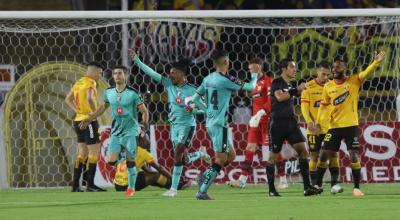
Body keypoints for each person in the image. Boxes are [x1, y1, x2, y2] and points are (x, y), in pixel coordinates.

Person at [129, 49, 211, 197]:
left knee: (178, 152)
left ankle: (173, 189)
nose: (170, 75)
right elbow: (151, 73)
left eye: (173, 73)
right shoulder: (169, 84)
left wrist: (193, 111)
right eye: (170, 72)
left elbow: (206, 109)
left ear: (181, 74)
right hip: (174, 127)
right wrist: (137, 61)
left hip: (187, 126)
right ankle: (200, 153)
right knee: (182, 158)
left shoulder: (193, 90)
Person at [313, 52, 385, 196]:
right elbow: (323, 106)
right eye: (334, 67)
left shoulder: (353, 81)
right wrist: (318, 122)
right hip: (334, 127)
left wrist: (376, 62)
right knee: (323, 155)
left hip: (351, 125)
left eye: (338, 67)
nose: (334, 70)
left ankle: (357, 188)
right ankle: (317, 185)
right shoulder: (328, 86)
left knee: (353, 155)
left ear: (344, 68)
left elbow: (366, 73)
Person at [192, 50, 258, 200]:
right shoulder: (225, 79)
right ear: (226, 62)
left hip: (212, 123)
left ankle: (204, 176)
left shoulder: (208, 78)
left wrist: (207, 110)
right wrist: (254, 74)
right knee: (221, 159)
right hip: (219, 124)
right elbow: (250, 87)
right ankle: (202, 191)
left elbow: (195, 99)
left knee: (231, 155)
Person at [80, 66, 149, 197]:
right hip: (116, 132)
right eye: (115, 73)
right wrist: (89, 119)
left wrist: (143, 127)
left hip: (131, 132)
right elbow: (102, 108)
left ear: (125, 76)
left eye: (120, 73)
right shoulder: (109, 92)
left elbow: (144, 111)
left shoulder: (133, 93)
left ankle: (131, 188)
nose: (117, 76)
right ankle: (122, 157)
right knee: (110, 160)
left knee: (130, 163)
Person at [227, 56, 288, 189]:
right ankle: (242, 180)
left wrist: (261, 112)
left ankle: (283, 179)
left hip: (268, 121)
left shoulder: (269, 81)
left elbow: (272, 101)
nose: (249, 70)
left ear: (259, 67)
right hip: (256, 122)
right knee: (250, 148)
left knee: (274, 150)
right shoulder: (254, 84)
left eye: (252, 67)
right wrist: (255, 115)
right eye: (249, 68)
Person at [266, 58, 321, 197]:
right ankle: (272, 190)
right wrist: (297, 89)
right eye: (292, 67)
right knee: (273, 157)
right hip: (277, 124)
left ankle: (307, 187)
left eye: (295, 67)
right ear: (284, 69)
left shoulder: (290, 85)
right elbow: (279, 97)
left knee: (303, 151)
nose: (295, 69)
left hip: (291, 123)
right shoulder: (277, 82)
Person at [301, 62, 343, 194]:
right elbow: (304, 107)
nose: (325, 77)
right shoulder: (309, 87)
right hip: (313, 128)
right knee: (314, 156)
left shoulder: (332, 86)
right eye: (323, 74)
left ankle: (334, 184)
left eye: (327, 75)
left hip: (330, 128)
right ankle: (315, 185)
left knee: (334, 155)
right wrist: (309, 122)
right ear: (317, 72)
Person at [65, 62, 106, 192]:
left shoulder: (78, 82)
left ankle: (75, 185)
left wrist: (77, 110)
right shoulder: (91, 82)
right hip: (88, 121)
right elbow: (89, 98)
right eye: (100, 73)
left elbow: (67, 99)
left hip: (77, 120)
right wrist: (94, 114)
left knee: (82, 153)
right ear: (94, 72)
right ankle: (90, 185)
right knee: (94, 153)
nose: (100, 75)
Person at [114, 125, 191, 192]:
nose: (148, 140)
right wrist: (173, 179)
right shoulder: (143, 152)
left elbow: (147, 170)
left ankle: (172, 186)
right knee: (155, 176)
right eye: (147, 137)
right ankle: (176, 185)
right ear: (142, 140)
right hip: (126, 186)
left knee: (150, 176)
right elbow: (160, 168)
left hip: (117, 185)